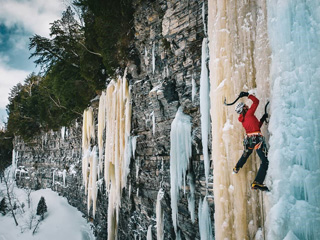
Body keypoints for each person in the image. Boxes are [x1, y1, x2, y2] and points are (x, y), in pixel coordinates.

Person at [233, 91, 269, 190]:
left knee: (246, 154)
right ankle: (257, 182)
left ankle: (237, 167)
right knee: (265, 162)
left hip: (249, 140)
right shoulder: (249, 114)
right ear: (243, 109)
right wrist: (247, 95)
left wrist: (262, 119)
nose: (247, 106)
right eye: (245, 106)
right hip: (257, 140)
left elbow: (256, 127)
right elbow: (256, 102)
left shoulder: (243, 120)